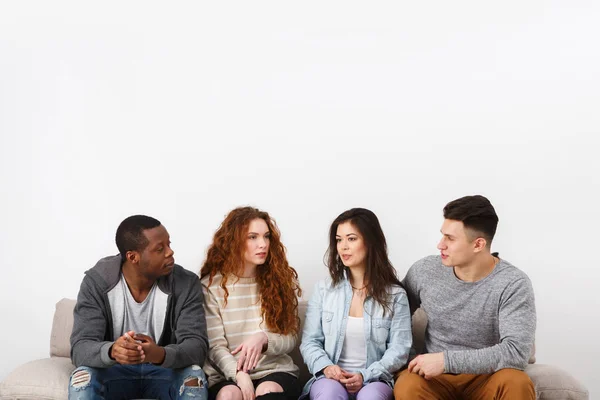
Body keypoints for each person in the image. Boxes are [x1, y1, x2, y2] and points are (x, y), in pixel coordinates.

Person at [394, 195, 536, 400]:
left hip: (488, 376)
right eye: (443, 235)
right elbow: (395, 315)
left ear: (478, 244)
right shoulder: (424, 270)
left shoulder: (513, 283)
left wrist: (445, 361)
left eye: (450, 239)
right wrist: (410, 359)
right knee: (408, 385)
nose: (440, 245)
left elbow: (516, 353)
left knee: (517, 382)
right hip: (433, 379)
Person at [69, 215, 208, 400]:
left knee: (194, 377)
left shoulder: (186, 283)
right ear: (133, 256)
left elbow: (197, 347)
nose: (170, 252)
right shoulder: (97, 282)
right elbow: (80, 347)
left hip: (165, 370)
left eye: (169, 244)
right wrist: (112, 351)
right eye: (160, 249)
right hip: (114, 370)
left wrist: (160, 354)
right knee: (82, 378)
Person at [300, 208, 412, 400]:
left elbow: (400, 349)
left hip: (374, 379)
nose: (343, 247)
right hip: (330, 380)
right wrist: (326, 367)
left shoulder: (396, 295)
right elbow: (310, 341)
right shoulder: (323, 290)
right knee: (328, 394)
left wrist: (365, 375)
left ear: (370, 242)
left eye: (351, 239)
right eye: (339, 239)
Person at [200, 207, 302, 400]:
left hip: (274, 371)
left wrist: (264, 339)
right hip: (227, 374)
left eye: (266, 236)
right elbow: (215, 347)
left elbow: (290, 338)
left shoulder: (280, 281)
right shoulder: (210, 287)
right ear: (234, 241)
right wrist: (239, 375)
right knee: (230, 394)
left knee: (267, 391)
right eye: (252, 237)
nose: (263, 244)